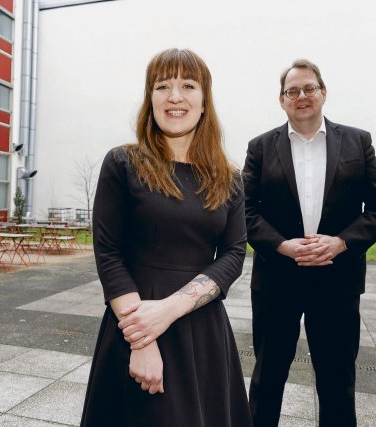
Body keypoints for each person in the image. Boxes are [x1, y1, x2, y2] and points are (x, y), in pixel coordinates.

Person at [80, 48, 251, 427]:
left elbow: (234, 255)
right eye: (163, 86)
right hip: (133, 323)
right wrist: (142, 340)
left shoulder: (230, 177)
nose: (175, 96)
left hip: (202, 330)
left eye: (188, 85)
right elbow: (108, 253)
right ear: (150, 99)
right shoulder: (123, 163)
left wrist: (170, 309)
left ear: (204, 101)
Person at [242, 59, 376, 426]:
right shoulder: (261, 147)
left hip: (337, 280)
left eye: (309, 88)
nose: (301, 96)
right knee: (267, 379)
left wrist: (341, 243)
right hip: (276, 281)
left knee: (337, 381)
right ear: (281, 101)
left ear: (323, 93)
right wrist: (282, 245)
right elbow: (244, 211)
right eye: (291, 91)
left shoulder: (358, 142)